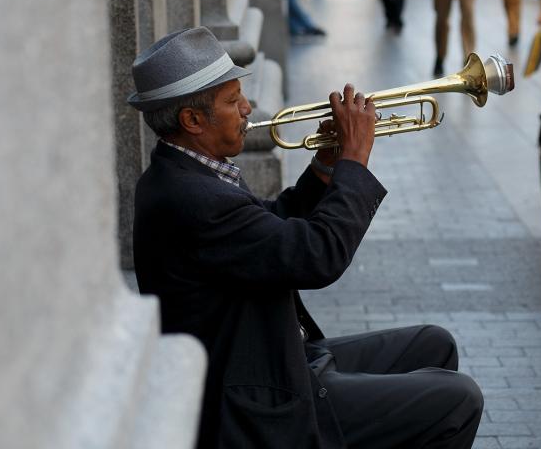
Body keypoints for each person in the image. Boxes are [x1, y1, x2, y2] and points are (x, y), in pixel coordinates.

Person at [128, 28, 484, 448]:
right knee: (459, 399)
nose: (248, 108)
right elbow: (318, 256)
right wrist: (354, 161)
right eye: (232, 101)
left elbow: (270, 228)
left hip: (282, 357)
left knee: (434, 344)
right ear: (192, 120)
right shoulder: (191, 196)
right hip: (258, 397)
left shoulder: (189, 173)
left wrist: (326, 165)